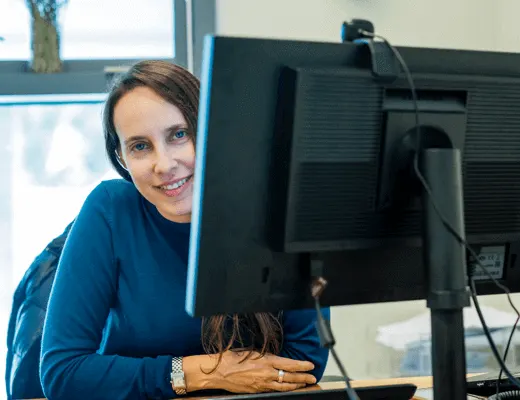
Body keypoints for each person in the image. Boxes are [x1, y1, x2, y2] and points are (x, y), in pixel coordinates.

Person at [40, 60, 330, 400]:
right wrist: (199, 373)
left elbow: (305, 363)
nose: (163, 165)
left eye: (178, 135)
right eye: (140, 146)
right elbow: (63, 372)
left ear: (211, 131)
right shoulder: (110, 210)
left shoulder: (275, 207)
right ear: (121, 157)